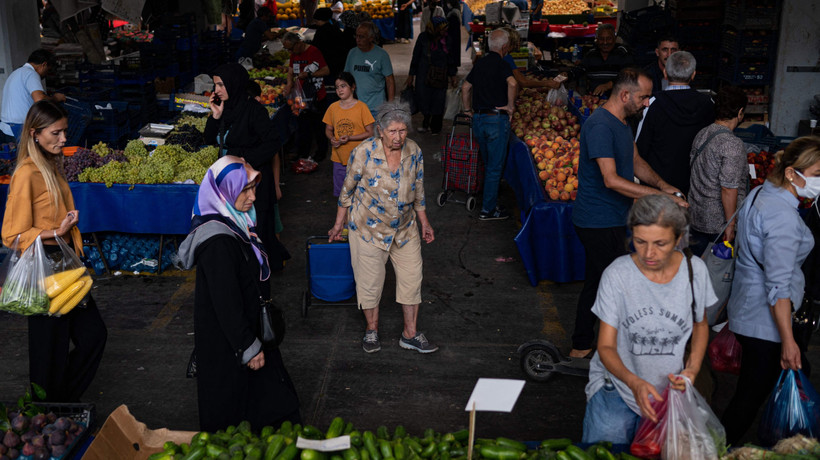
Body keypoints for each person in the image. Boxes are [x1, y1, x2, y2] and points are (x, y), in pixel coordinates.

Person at [570, 67, 686, 359]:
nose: (646, 103)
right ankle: (610, 349)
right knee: (618, 285)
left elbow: (634, 160)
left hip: (613, 218)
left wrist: (663, 185)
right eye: (643, 97)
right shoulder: (600, 126)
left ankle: (581, 345)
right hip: (596, 221)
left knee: (597, 282)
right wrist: (661, 197)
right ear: (624, 95)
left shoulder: (622, 122)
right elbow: (611, 180)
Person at [178, 155, 301, 432]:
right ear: (224, 191)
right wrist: (247, 345)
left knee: (270, 404)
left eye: (254, 188)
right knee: (238, 411)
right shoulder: (217, 241)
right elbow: (225, 300)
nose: (253, 197)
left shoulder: (237, 222)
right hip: (233, 341)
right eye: (245, 190)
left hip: (247, 332)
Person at [582, 194, 714, 444]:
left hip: (670, 392)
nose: (649, 253)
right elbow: (606, 346)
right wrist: (634, 383)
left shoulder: (695, 270)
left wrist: (692, 369)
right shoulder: (617, 275)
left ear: (678, 238)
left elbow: (700, 324)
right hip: (617, 389)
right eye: (640, 242)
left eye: (660, 243)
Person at [1, 100, 107, 402]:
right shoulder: (27, 173)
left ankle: (62, 402)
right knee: (49, 350)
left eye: (64, 132)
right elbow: (11, 234)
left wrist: (66, 226)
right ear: (35, 134)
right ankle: (47, 411)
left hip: (65, 264)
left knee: (93, 336)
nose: (63, 139)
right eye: (56, 133)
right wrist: (55, 232)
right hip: (43, 268)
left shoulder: (50, 166)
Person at [721, 136, 820, 446]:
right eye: (817, 174)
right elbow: (778, 286)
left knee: (758, 388)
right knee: (748, 398)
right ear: (792, 173)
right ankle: (716, 448)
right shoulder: (783, 217)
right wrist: (788, 341)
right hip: (765, 323)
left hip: (746, 307)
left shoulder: (761, 192)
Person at [327, 101, 438, 354]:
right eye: (392, 131)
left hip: (405, 229)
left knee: (412, 279)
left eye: (402, 130)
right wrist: (338, 224)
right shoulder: (364, 152)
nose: (398, 137)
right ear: (380, 130)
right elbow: (347, 191)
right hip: (368, 229)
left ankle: (410, 334)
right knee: (369, 283)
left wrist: (425, 222)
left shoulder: (414, 150)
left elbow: (418, 190)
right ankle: (371, 330)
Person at [204, 63, 288, 270]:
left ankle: (261, 276)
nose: (216, 90)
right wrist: (215, 116)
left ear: (233, 83)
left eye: (221, 85)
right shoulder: (224, 110)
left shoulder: (254, 111)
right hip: (232, 183)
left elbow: (273, 142)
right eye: (215, 85)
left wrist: (244, 160)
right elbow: (208, 140)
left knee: (257, 231)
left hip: (253, 184)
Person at [635, 51, 714, 197]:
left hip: (658, 188)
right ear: (693, 75)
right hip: (695, 188)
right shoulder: (707, 104)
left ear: (665, 73)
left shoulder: (651, 104)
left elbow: (639, 149)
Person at [461, 29, 517, 221]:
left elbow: (466, 87)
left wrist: (467, 110)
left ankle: (489, 200)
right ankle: (488, 210)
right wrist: (510, 106)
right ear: (504, 47)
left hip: (478, 120)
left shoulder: (480, 63)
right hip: (496, 121)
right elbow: (512, 83)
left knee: (487, 164)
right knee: (494, 167)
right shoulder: (503, 64)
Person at [688, 86, 749, 256]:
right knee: (716, 268)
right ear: (740, 112)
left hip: (696, 215)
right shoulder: (731, 144)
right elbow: (728, 188)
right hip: (717, 225)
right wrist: (730, 225)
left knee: (694, 265)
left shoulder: (702, 133)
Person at [323, 72, 376, 196]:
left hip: (359, 159)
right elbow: (328, 129)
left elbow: (370, 133)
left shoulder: (362, 107)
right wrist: (332, 138)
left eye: (343, 86)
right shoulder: (333, 108)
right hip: (339, 158)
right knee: (342, 194)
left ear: (353, 87)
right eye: (337, 87)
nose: (339, 90)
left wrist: (350, 138)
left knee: (360, 194)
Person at [282, 32, 331, 162]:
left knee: (318, 126)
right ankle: (303, 153)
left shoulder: (313, 51)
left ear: (298, 43)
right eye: (287, 49)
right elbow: (290, 72)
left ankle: (321, 153)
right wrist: (289, 84)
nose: (290, 52)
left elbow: (326, 70)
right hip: (300, 97)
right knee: (303, 126)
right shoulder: (294, 54)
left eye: (291, 48)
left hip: (316, 96)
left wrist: (309, 75)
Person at [406, 17, 458, 135]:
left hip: (440, 75)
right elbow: (416, 56)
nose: (445, 31)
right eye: (443, 29)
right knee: (424, 99)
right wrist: (411, 75)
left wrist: (453, 75)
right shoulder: (423, 38)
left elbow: (451, 59)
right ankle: (425, 123)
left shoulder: (447, 39)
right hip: (424, 75)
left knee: (439, 101)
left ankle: (436, 127)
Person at [1, 49, 65, 141]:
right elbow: (40, 99)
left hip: (7, 127)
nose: (45, 75)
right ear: (44, 65)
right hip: (18, 127)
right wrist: (56, 98)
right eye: (48, 70)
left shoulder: (17, 72)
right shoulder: (31, 73)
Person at [344, 22, 396, 120]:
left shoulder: (382, 55)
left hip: (377, 108)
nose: (358, 39)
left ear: (371, 38)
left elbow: (390, 81)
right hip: (356, 106)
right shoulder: (352, 53)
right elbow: (346, 77)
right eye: (356, 36)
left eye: (362, 37)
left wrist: (390, 106)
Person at [575, 24, 634, 96]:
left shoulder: (622, 52)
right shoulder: (591, 54)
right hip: (594, 99)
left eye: (609, 38)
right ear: (597, 39)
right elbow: (580, 69)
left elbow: (629, 75)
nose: (605, 42)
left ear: (615, 38)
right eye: (601, 39)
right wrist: (566, 75)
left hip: (618, 98)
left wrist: (609, 85)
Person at [311, 8, 347, 104]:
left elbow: (315, 49)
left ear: (319, 19)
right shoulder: (335, 28)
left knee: (329, 91)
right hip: (338, 65)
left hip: (327, 65)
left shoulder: (321, 31)